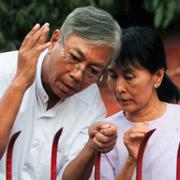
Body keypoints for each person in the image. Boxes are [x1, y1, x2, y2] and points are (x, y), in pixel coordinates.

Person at [0, 6, 121, 180]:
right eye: (74, 57)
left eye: (93, 71)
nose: (78, 75)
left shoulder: (91, 105)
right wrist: (20, 83)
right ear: (55, 40)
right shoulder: (4, 71)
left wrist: (91, 148)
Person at [100, 26, 180, 180]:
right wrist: (131, 161)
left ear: (157, 76)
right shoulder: (106, 134)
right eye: (113, 76)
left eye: (129, 77)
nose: (119, 88)